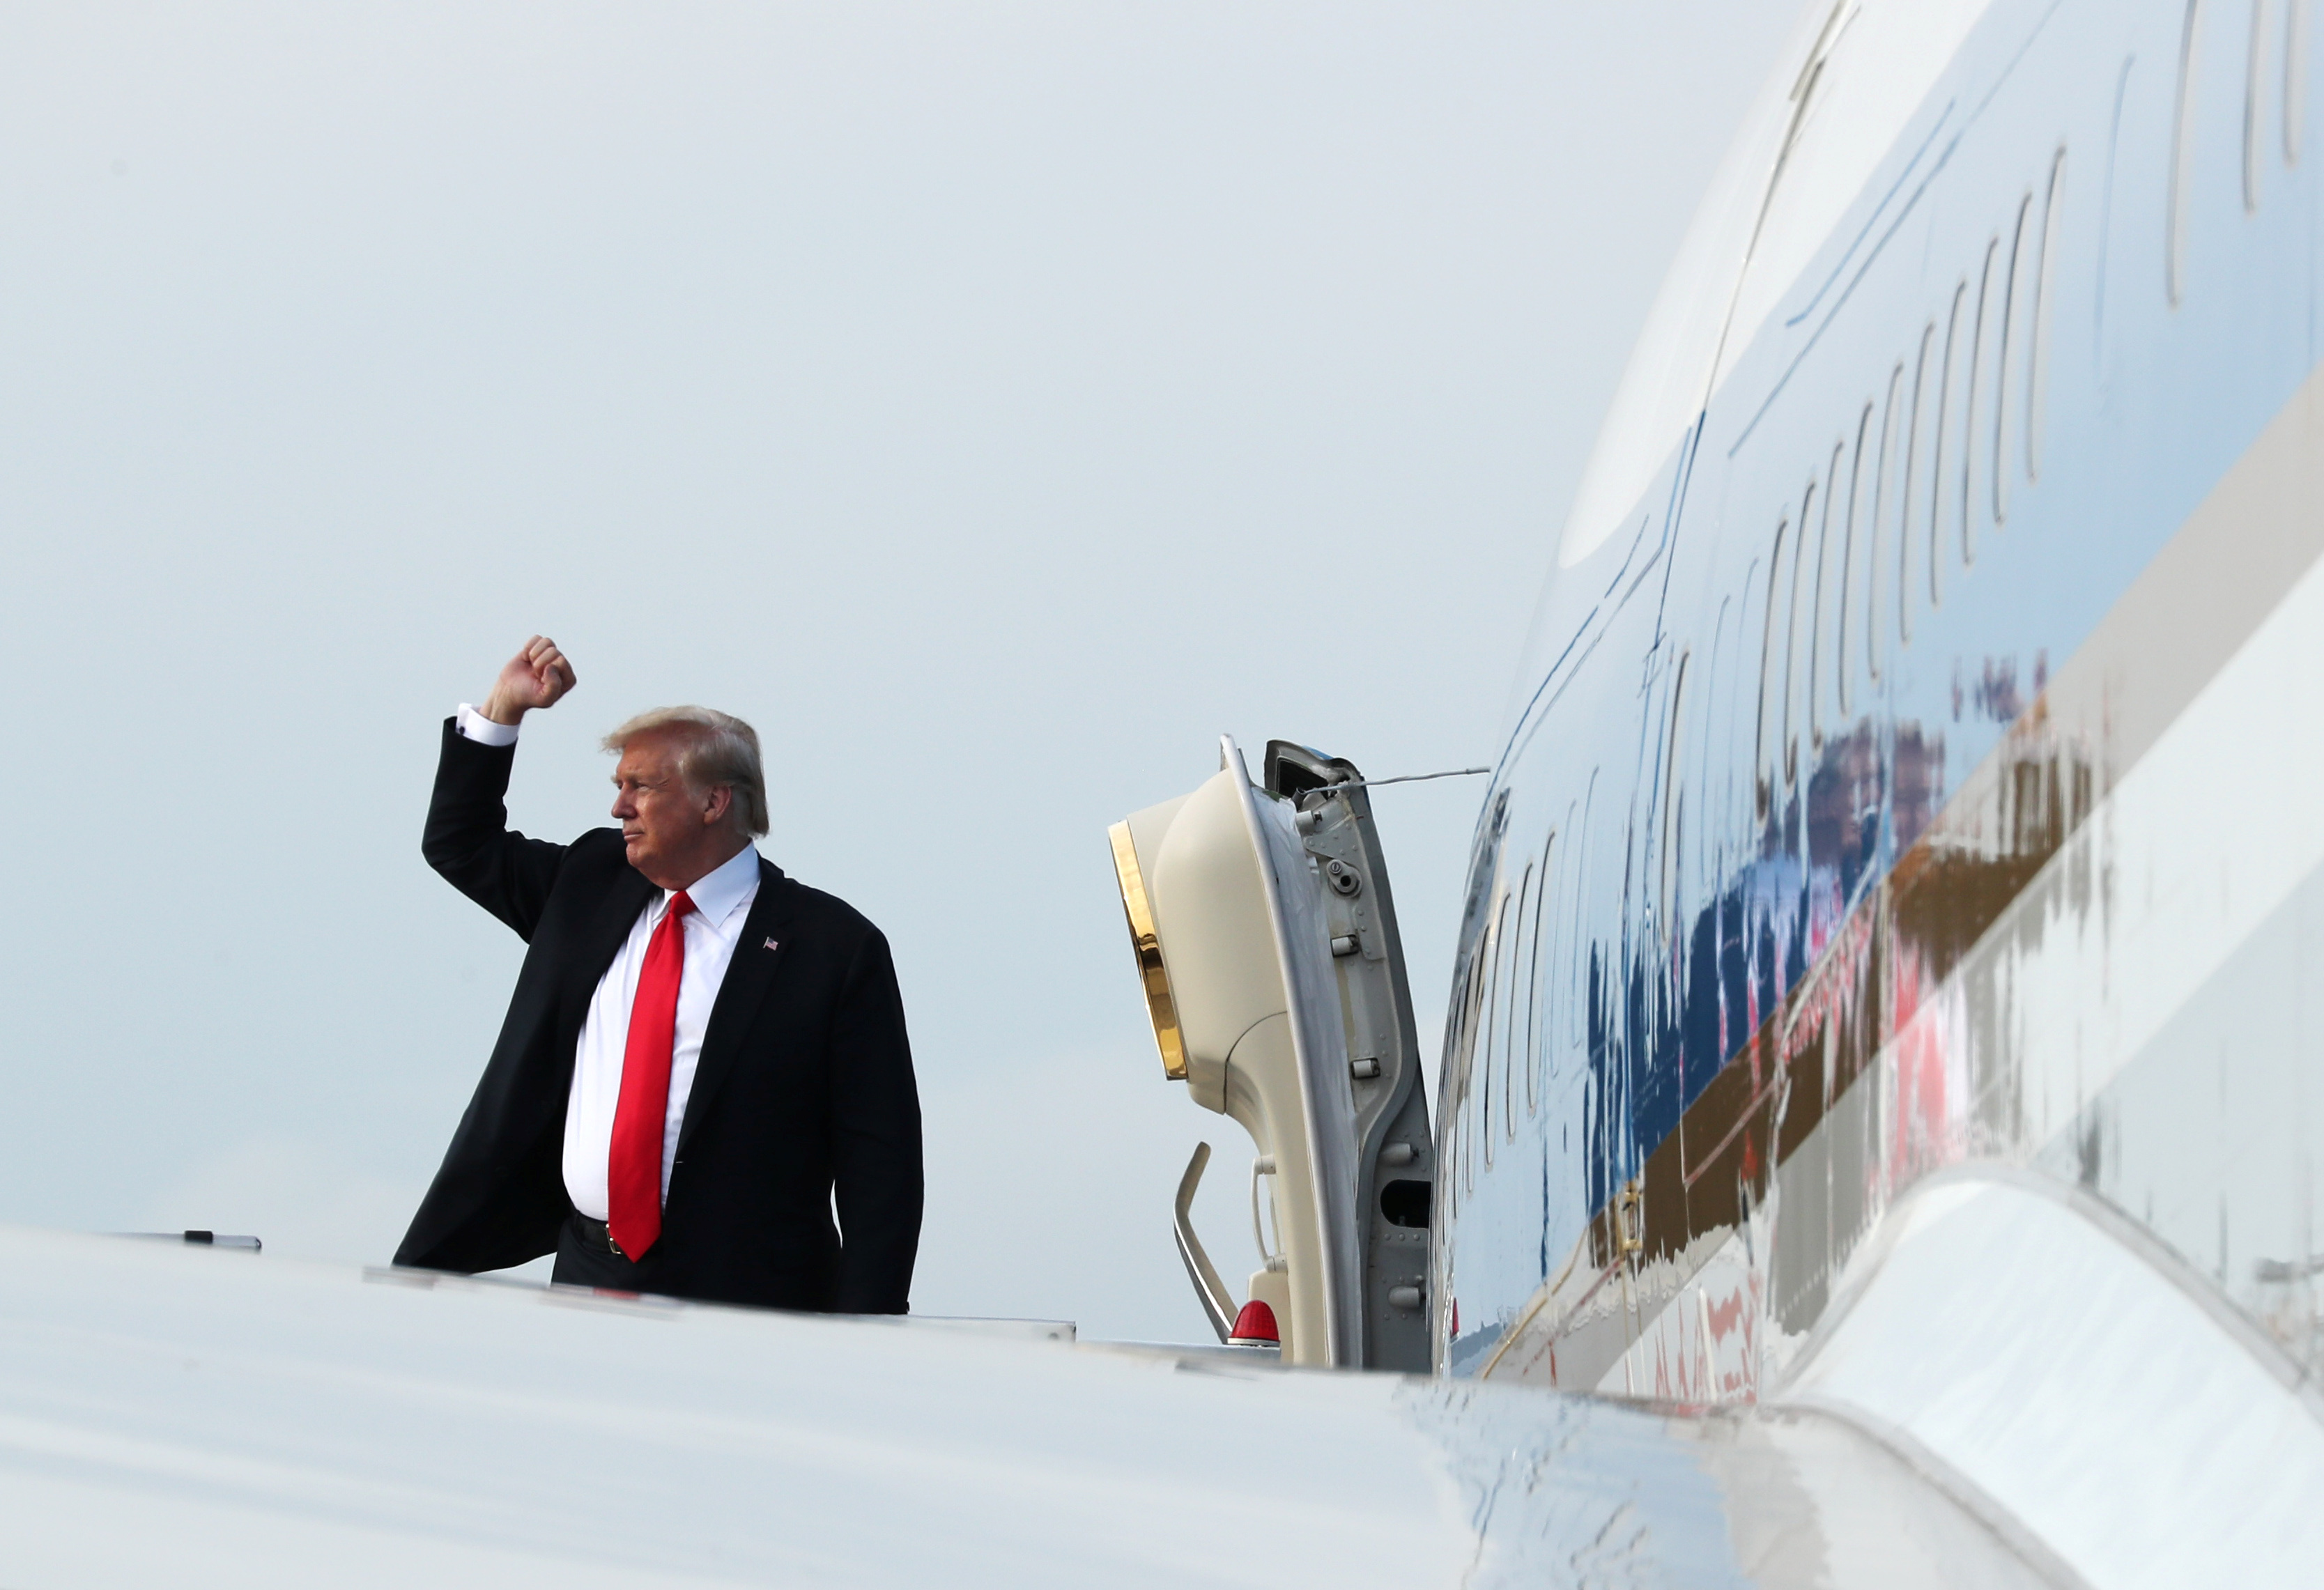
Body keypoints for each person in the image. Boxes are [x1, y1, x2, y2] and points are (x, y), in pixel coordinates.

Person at [394, 635, 923, 1313]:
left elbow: (880, 1163)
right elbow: (457, 842)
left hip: (750, 1296)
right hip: (587, 1273)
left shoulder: (833, 947)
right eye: (618, 787)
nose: (619, 807)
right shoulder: (587, 884)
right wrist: (503, 710)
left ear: (714, 802)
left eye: (640, 786)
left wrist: (869, 1323)